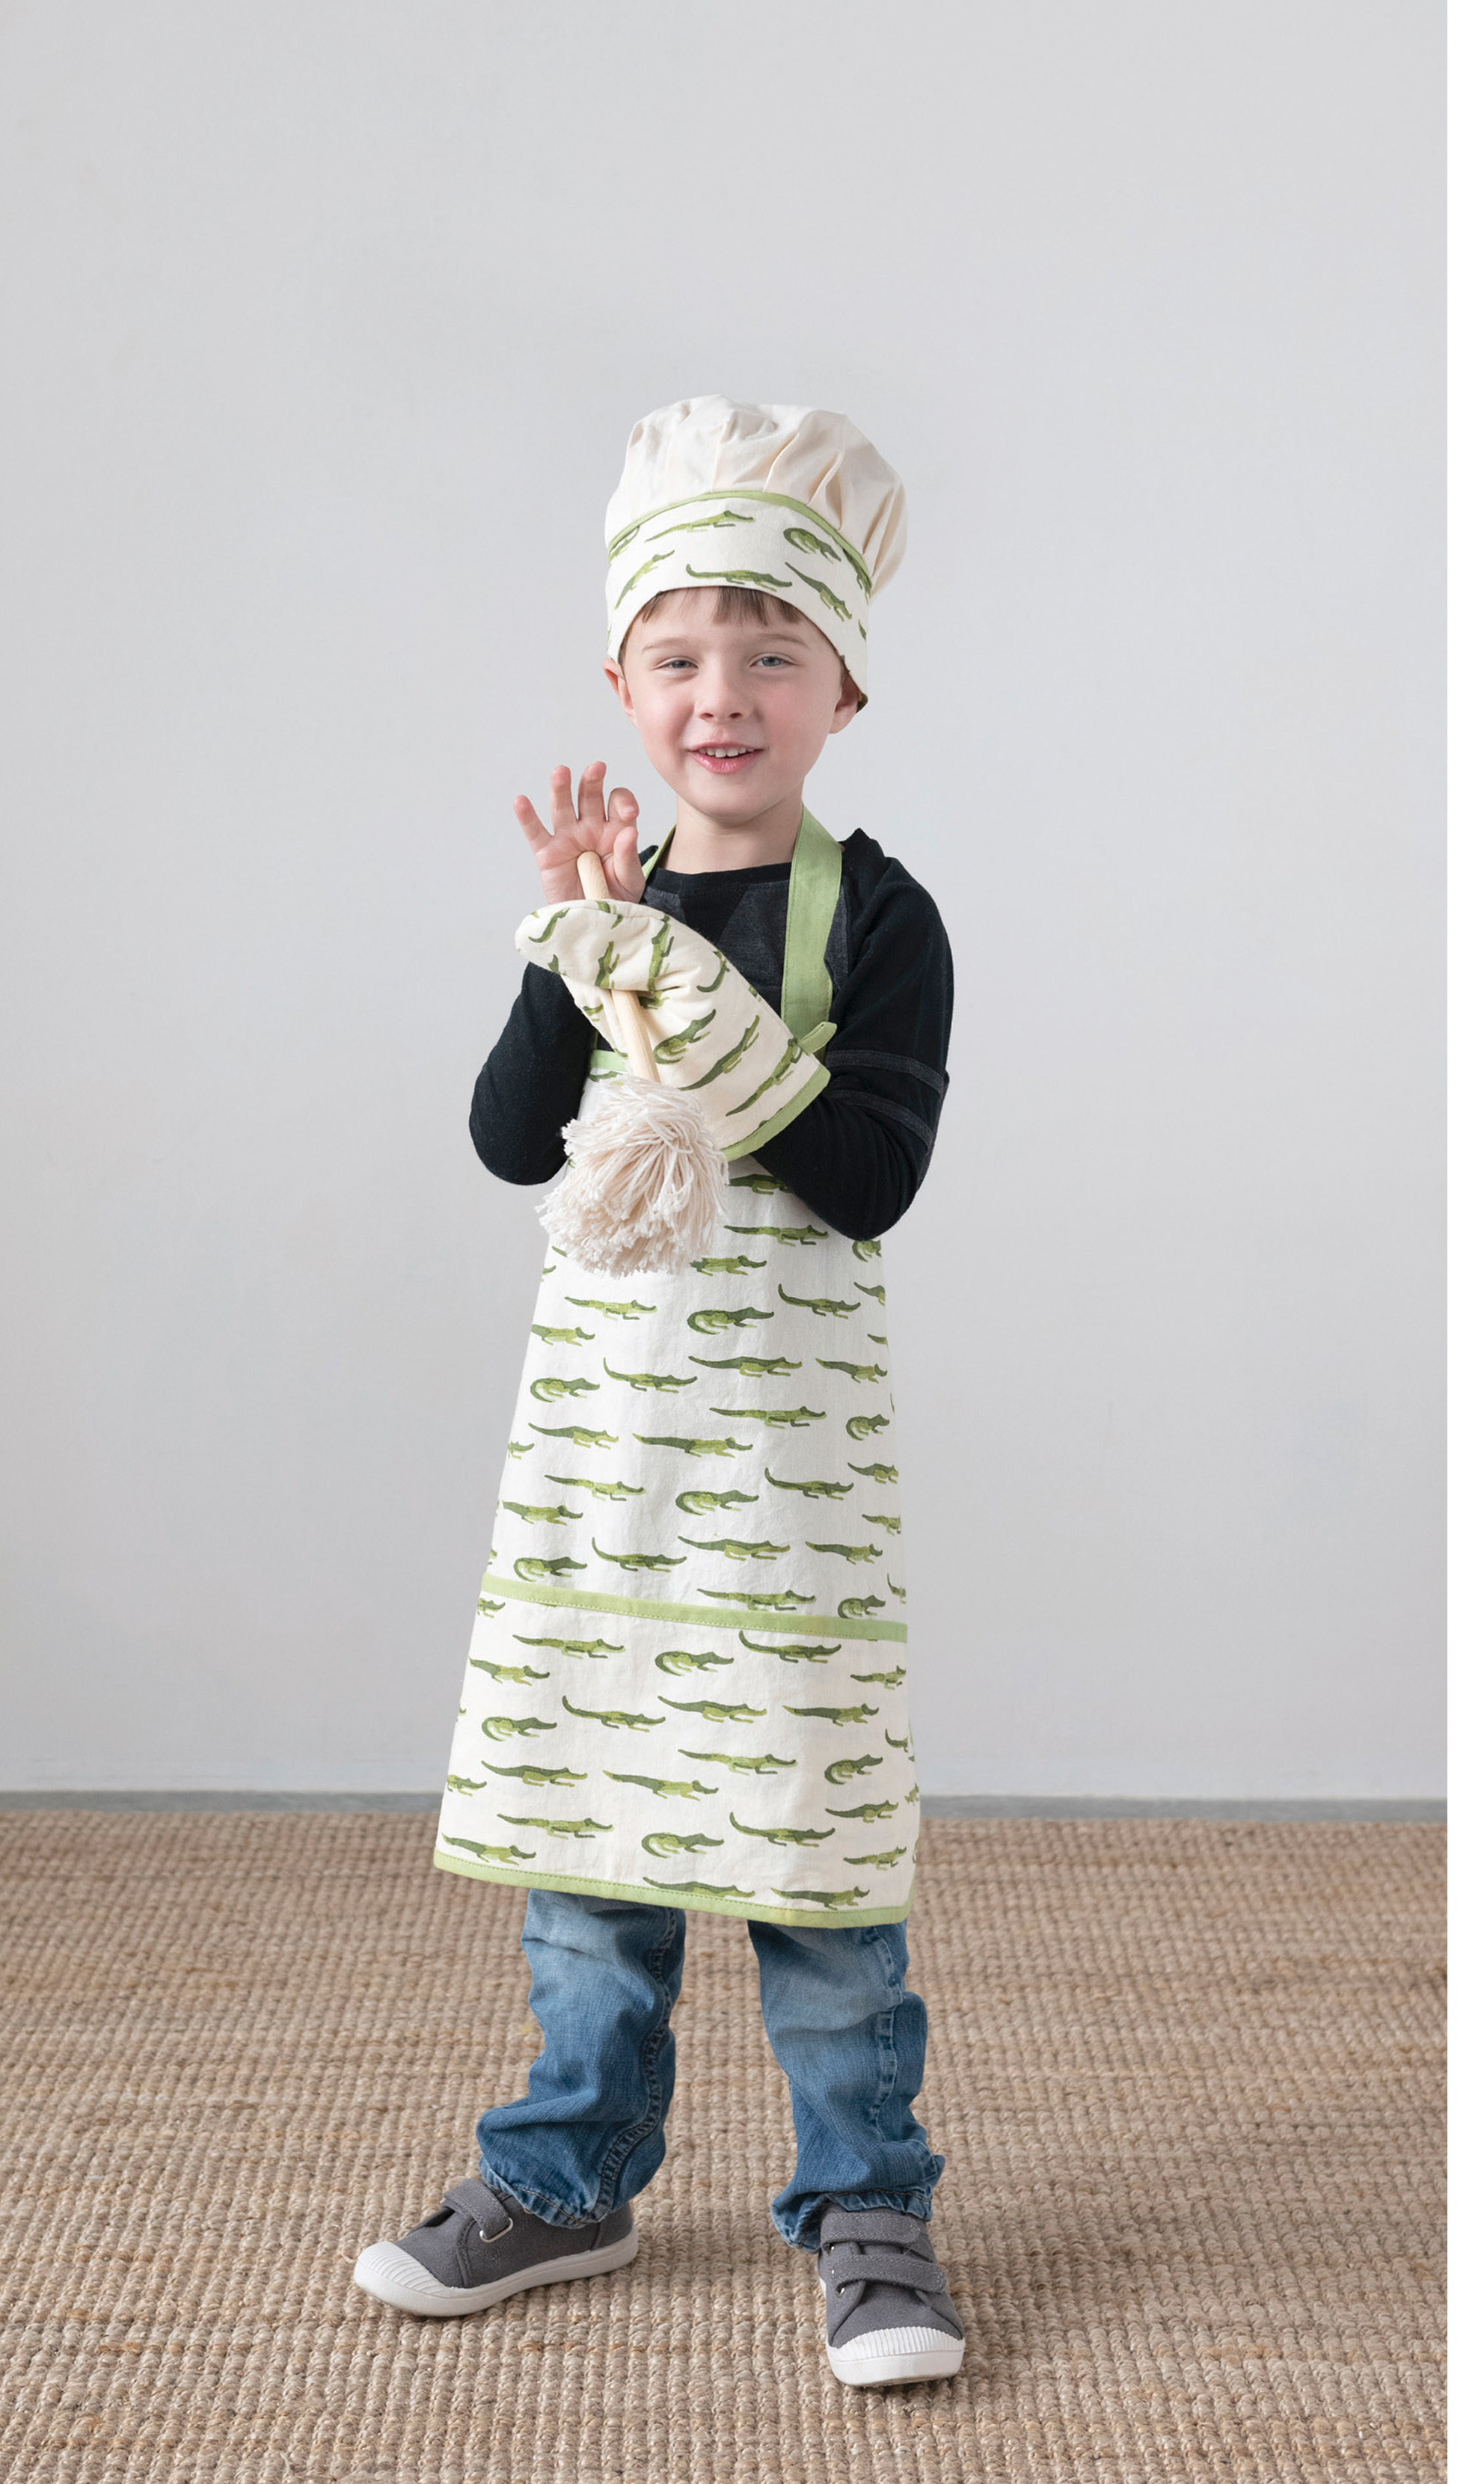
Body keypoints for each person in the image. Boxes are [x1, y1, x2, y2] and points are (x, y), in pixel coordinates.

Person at [352, 400, 965, 2388]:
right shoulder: (608, 924)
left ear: (844, 688)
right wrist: (586, 954)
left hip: (783, 1482)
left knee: (813, 1867)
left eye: (773, 653)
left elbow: (864, 1175)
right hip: (607, 1468)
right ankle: (564, 2177)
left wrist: (681, 1001)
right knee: (590, 1853)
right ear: (622, 685)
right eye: (682, 656)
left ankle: (868, 2206)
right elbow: (509, 1141)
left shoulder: (881, 919)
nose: (725, 695)